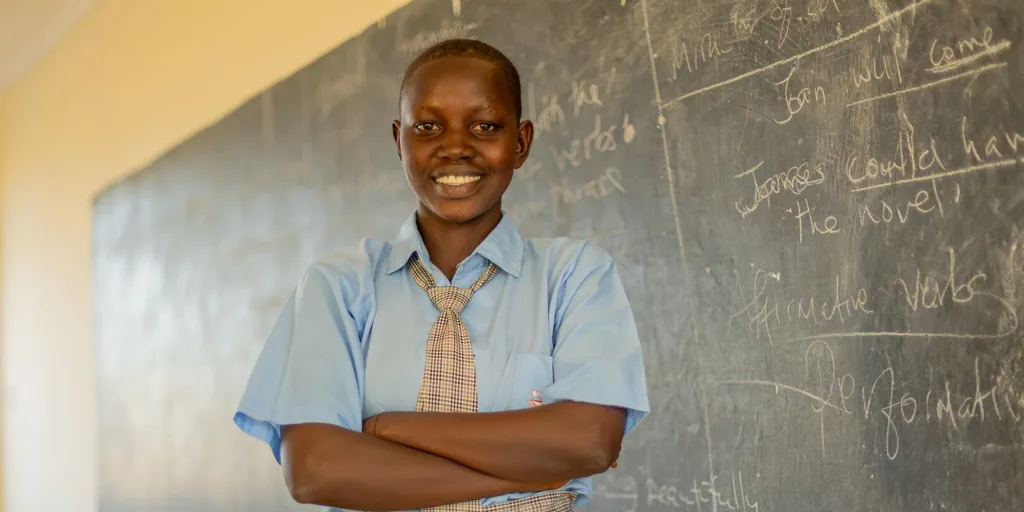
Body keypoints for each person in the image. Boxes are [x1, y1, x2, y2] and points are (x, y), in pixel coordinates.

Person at [233, 38, 650, 511]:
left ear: (520, 142)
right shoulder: (340, 288)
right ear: (399, 141)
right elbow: (315, 471)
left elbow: (589, 442)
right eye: (428, 126)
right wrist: (537, 474)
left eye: (485, 126)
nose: (455, 147)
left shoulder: (574, 277)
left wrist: (385, 428)